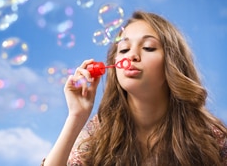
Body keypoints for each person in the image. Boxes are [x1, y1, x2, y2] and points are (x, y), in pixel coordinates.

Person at [41, 10, 227, 165]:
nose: (131, 56)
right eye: (123, 50)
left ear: (172, 63)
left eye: (148, 48)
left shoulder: (209, 137)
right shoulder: (100, 132)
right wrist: (76, 116)